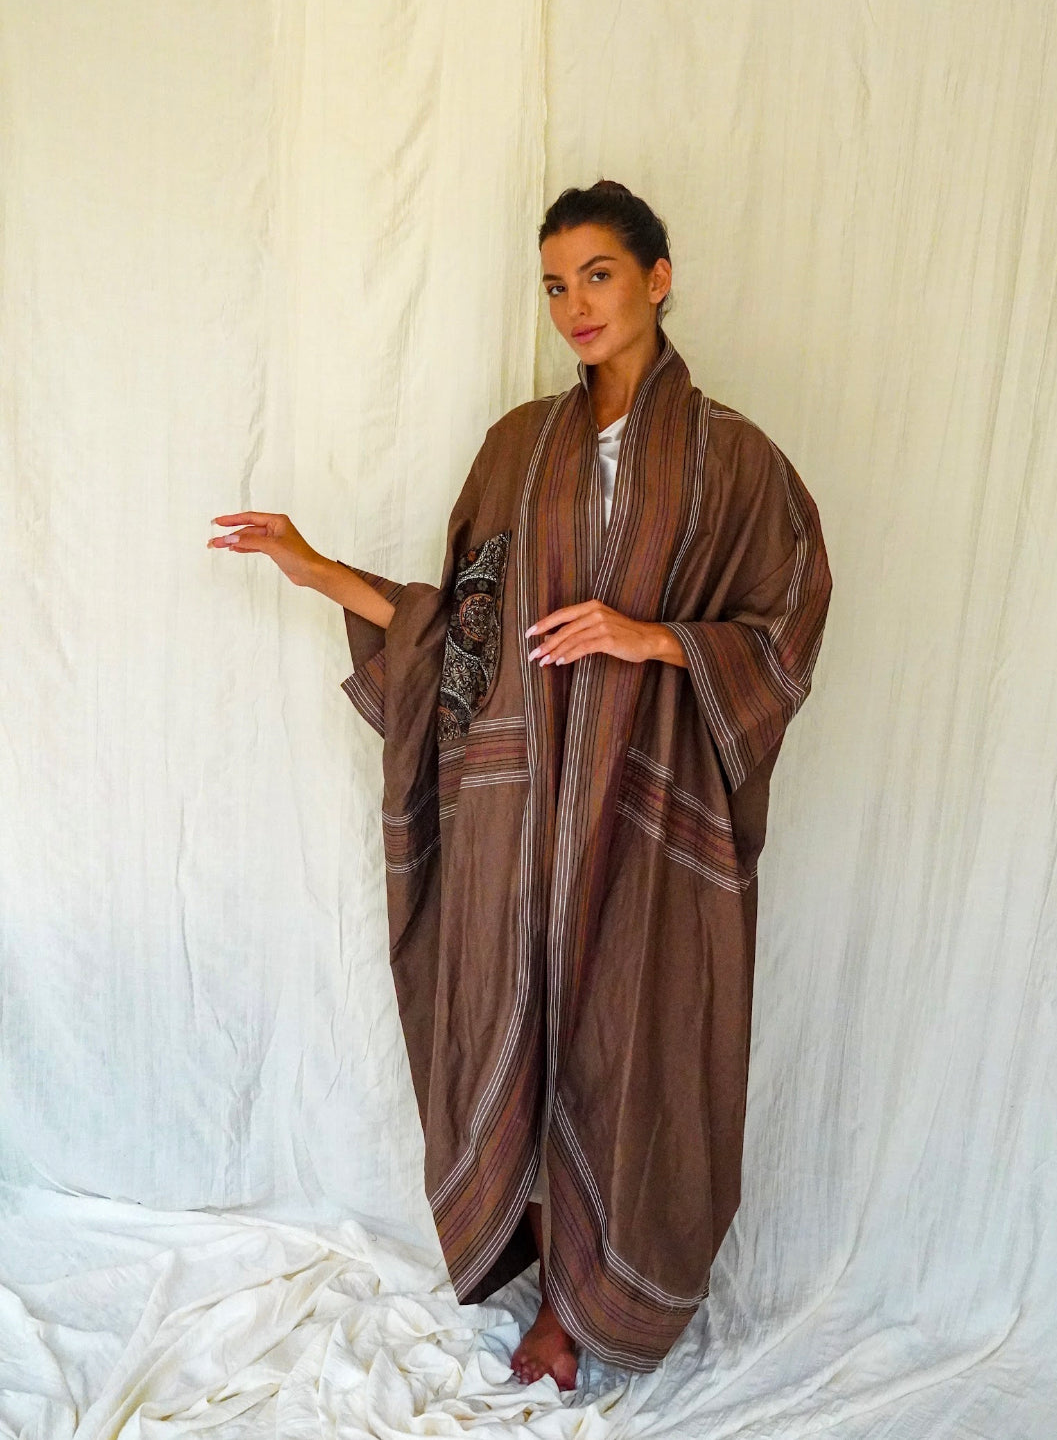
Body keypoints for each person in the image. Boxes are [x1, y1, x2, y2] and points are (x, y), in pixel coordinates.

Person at [208, 180, 832, 1390]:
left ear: (658, 278)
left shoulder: (735, 462)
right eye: (555, 284)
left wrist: (653, 638)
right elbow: (467, 631)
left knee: (629, 1032)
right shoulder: (517, 449)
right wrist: (314, 566)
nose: (575, 305)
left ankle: (593, 1298)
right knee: (517, 1010)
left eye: (599, 274)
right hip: (519, 805)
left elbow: (788, 621)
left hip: (645, 810)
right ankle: (548, 1272)